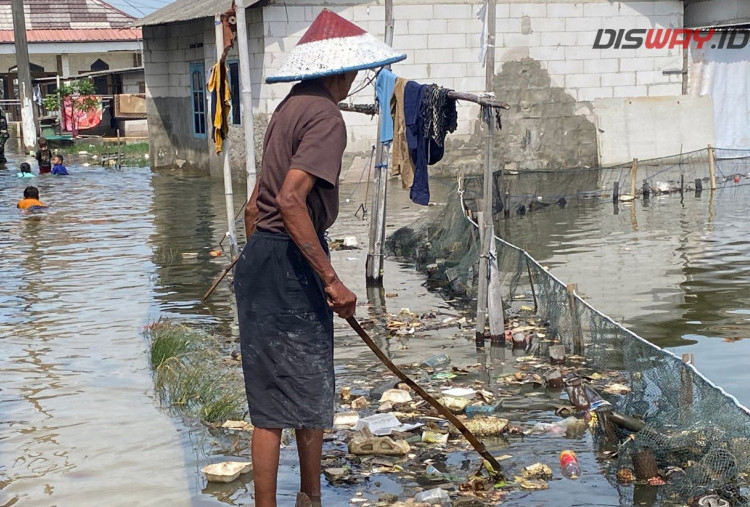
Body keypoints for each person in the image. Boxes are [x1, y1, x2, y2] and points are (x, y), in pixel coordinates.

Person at [233, 9, 405, 507]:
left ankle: (304, 499)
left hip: (262, 258)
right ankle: (309, 497)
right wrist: (331, 280)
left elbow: (253, 207)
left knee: (270, 405)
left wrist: (254, 261)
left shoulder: (289, 107)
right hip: (288, 261)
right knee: (309, 388)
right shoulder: (326, 117)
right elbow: (289, 200)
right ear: (345, 72)